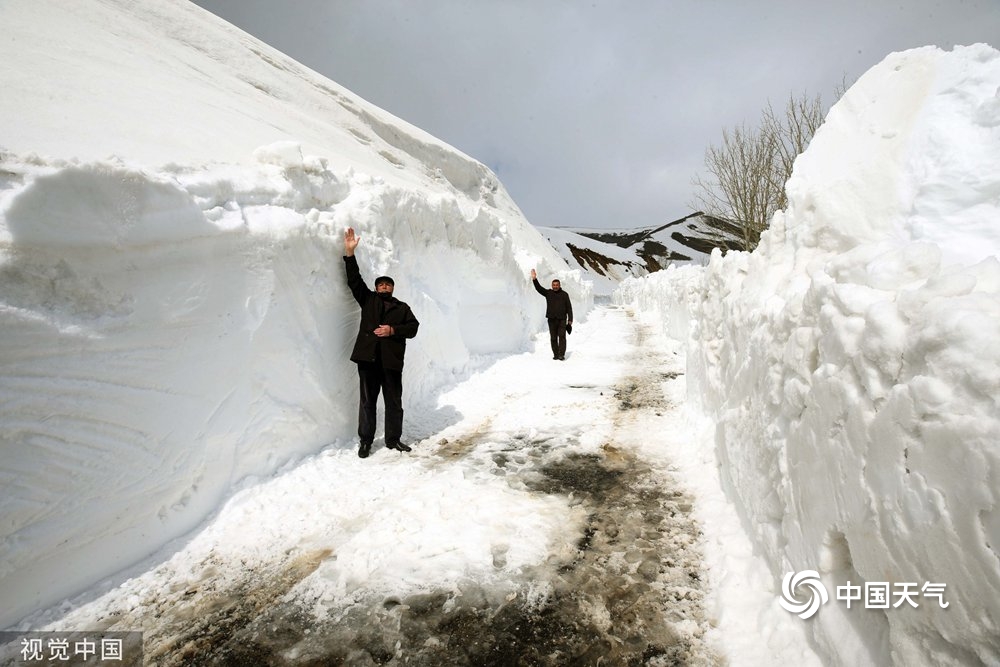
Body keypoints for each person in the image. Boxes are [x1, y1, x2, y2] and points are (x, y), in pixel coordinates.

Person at [343, 227, 420, 458]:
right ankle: (365, 441)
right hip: (368, 360)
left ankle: (393, 440)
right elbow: (354, 280)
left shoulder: (402, 308)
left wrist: (392, 329)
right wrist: (349, 253)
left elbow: (413, 328)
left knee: (394, 403)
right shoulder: (368, 300)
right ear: (376, 288)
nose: (384, 286)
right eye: (381, 284)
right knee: (367, 403)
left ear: (393, 288)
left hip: (391, 362)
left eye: (388, 284)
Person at [530, 268, 573, 361]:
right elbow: (539, 288)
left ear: (559, 285)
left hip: (562, 319)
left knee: (562, 337)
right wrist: (534, 279)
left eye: (557, 285)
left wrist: (570, 320)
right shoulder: (548, 293)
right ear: (552, 285)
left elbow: (569, 307)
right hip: (551, 319)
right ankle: (556, 354)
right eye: (554, 285)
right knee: (553, 338)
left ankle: (561, 354)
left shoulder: (565, 295)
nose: (555, 286)